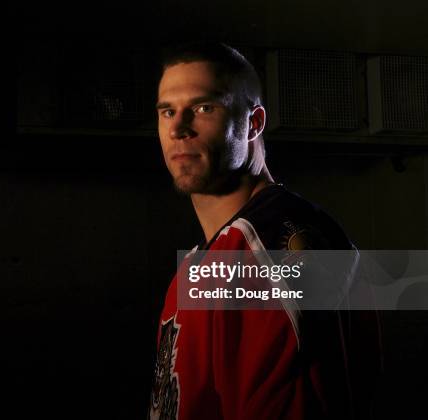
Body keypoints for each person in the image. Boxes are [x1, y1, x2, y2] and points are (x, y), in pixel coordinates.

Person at [148, 42, 381, 420]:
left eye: (204, 107)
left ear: (254, 122)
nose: (178, 128)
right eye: (167, 111)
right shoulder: (200, 263)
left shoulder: (271, 246)